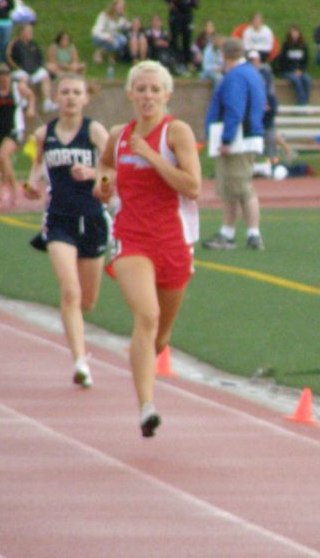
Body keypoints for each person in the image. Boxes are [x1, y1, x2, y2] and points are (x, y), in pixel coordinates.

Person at [93, 60, 201, 436]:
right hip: (131, 237)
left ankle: (142, 370)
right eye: (141, 89)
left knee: (161, 336)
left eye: (155, 89)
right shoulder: (119, 135)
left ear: (167, 95)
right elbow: (105, 165)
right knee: (147, 315)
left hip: (172, 240)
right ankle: (146, 407)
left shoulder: (177, 133)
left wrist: (152, 156)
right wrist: (103, 183)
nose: (148, 96)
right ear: (130, 94)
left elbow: (193, 187)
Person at [23, 74, 110, 388]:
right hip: (59, 219)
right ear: (56, 98)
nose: (71, 98)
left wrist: (92, 173)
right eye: (65, 92)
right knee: (70, 292)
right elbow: (37, 168)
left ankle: (80, 345)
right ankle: (80, 361)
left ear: (86, 97)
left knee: (87, 301)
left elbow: (113, 170)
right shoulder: (45, 133)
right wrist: (33, 185)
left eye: (76, 92)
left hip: (92, 219)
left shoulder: (95, 131)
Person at [202, 38, 266, 250]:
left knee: (241, 188)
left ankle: (245, 235)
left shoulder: (236, 76)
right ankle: (231, 233)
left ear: (225, 55)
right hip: (247, 136)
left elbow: (234, 109)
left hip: (239, 140)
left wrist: (227, 138)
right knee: (233, 188)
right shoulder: (250, 73)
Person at [0, 63, 35, 206]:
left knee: (3, 156)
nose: (3, 79)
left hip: (15, 129)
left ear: (9, 76)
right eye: (0, 76)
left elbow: (31, 96)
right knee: (3, 161)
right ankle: (8, 187)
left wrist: (30, 109)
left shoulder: (17, 88)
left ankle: (11, 188)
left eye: (5, 76)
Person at [6, 23, 57, 113]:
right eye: (28, 31)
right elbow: (9, 57)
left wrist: (41, 67)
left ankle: (47, 102)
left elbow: (40, 58)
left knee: (44, 76)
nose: (31, 33)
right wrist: (17, 68)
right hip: (19, 70)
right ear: (21, 32)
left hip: (33, 70)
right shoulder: (13, 44)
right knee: (23, 77)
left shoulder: (33, 44)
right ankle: (24, 101)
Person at [161, 0, 200, 70]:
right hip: (176, 12)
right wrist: (170, 2)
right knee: (174, 36)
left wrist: (194, 3)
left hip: (187, 13)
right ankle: (174, 60)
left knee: (187, 36)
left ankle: (187, 61)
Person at [90, 0, 130, 70]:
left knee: (123, 40)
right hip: (99, 37)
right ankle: (98, 53)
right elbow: (96, 31)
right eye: (119, 6)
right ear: (114, 6)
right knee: (115, 43)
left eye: (122, 7)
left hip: (113, 36)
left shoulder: (121, 18)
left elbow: (127, 26)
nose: (121, 8)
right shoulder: (104, 15)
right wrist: (107, 37)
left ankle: (111, 55)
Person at [277, 24, 311, 105]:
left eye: (296, 32)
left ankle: (306, 101)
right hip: (287, 71)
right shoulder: (286, 45)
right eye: (292, 32)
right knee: (296, 81)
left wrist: (301, 70)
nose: (294, 34)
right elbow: (282, 61)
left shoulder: (303, 46)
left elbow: (305, 61)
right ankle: (301, 101)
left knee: (307, 79)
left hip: (299, 71)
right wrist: (292, 71)